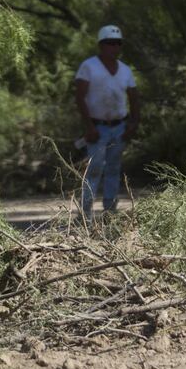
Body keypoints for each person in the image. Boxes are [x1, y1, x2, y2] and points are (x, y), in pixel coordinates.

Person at [75, 25, 140, 223]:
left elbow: (135, 97)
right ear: (101, 45)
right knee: (94, 168)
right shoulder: (89, 67)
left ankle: (110, 211)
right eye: (109, 43)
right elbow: (79, 97)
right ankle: (85, 213)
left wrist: (133, 123)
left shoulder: (125, 70)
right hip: (98, 126)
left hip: (119, 127)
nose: (113, 47)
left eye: (117, 43)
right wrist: (89, 127)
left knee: (114, 168)